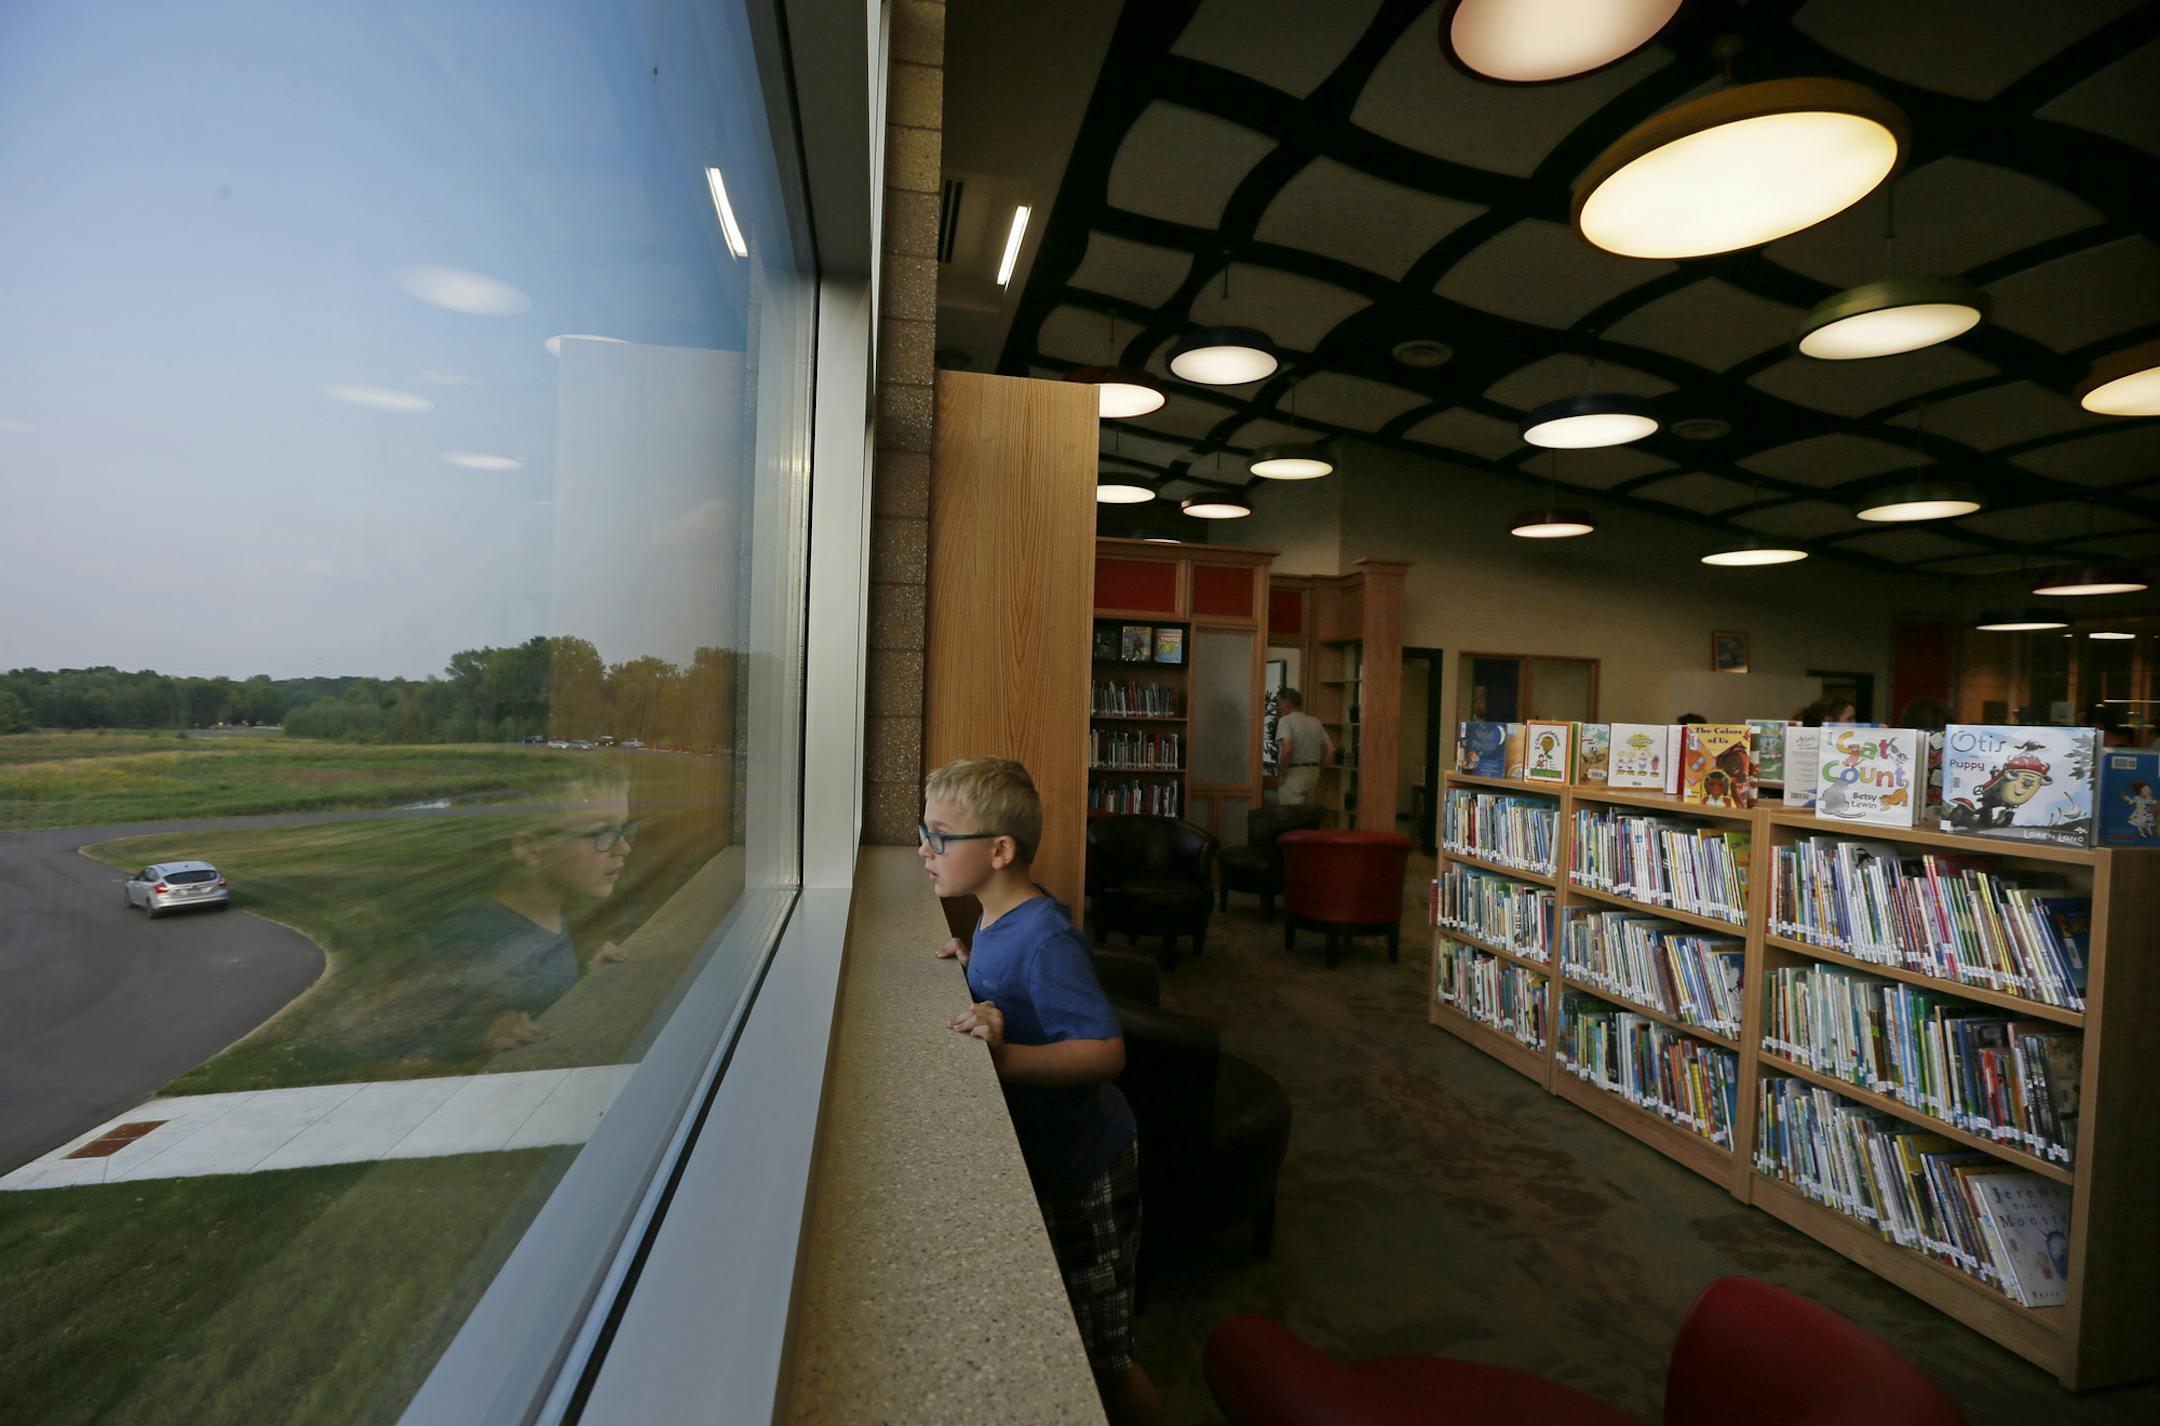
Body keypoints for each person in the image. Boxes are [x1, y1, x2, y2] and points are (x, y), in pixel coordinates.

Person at [921, 757, 1159, 1426]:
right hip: (1054, 1156)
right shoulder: (996, 918)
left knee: (1105, 1351)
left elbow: (1105, 1050)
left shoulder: (1044, 939)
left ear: (1000, 851)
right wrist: (972, 967)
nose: (924, 849)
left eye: (940, 835)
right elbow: (1018, 992)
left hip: (1089, 1165)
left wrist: (1005, 1063)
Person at [424, 764, 635, 1057]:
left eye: (623, 829)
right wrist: (476, 1035)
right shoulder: (473, 939)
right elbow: (411, 1039)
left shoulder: (548, 917)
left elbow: (537, 1002)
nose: (624, 848)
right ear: (531, 849)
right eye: (603, 832)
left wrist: (583, 978)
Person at [1274, 688, 1332, 806]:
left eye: (1279, 703)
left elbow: (1288, 748)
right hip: (1313, 774)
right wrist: (1320, 768)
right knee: (1306, 818)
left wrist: (1283, 773)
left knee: (1289, 817)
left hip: (1294, 774)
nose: (1278, 707)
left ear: (1287, 702)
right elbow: (1331, 749)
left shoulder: (1286, 721)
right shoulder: (1315, 721)